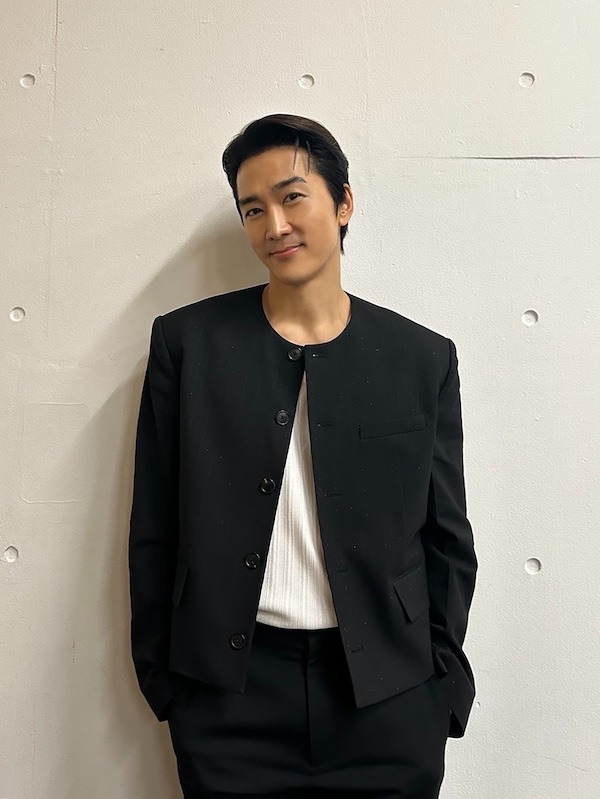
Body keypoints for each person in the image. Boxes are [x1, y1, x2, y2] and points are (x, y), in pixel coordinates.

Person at [128, 113, 477, 799]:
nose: (275, 225)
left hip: (388, 698)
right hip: (231, 699)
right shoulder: (188, 345)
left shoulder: (420, 358)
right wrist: (167, 685)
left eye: (292, 197)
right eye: (253, 209)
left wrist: (440, 687)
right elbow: (155, 525)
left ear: (343, 202)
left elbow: (447, 537)